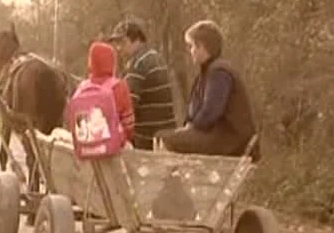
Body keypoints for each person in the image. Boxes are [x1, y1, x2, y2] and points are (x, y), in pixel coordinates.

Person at [158, 20, 259, 160]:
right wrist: (187, 127)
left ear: (202, 47)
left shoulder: (219, 72)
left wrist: (192, 128)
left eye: (192, 46)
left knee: (166, 140)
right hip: (219, 136)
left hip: (231, 140)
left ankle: (171, 181)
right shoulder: (206, 73)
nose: (191, 51)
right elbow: (195, 110)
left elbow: (211, 112)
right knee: (167, 137)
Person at [108, 18, 177, 149]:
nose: (118, 48)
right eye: (117, 44)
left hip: (147, 138)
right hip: (165, 131)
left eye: (122, 43)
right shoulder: (155, 56)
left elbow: (126, 104)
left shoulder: (138, 64)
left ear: (137, 40)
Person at [85, 41, 135, 145]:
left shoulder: (82, 88)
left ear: (91, 62)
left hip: (86, 148)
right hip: (112, 149)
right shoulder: (119, 87)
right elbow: (129, 126)